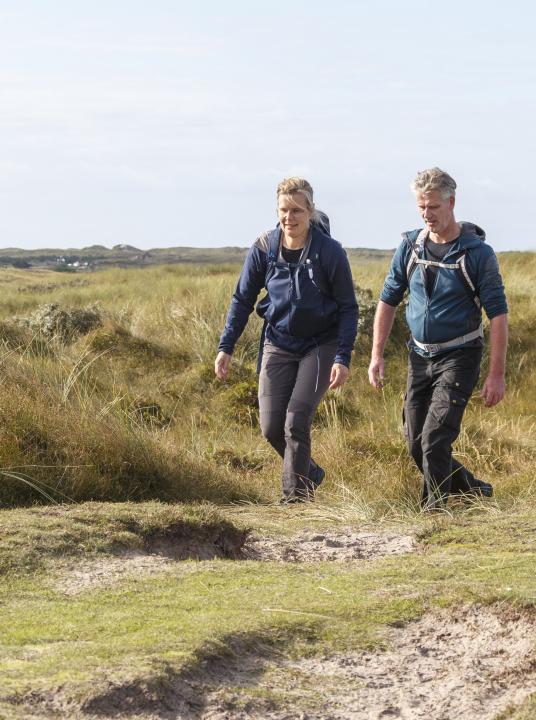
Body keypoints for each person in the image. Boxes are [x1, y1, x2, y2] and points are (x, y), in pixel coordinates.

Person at [368, 168, 508, 509]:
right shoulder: (409, 247)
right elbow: (387, 300)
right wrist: (376, 355)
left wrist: (496, 374)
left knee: (434, 440)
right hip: (419, 357)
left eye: (433, 207)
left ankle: (435, 512)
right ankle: (472, 487)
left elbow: (499, 315)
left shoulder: (478, 254)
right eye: (421, 207)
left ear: (451, 202)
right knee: (415, 442)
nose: (427, 214)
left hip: (460, 356)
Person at [215, 177, 358, 503]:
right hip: (278, 342)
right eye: (283, 210)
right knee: (270, 427)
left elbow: (349, 307)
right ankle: (310, 472)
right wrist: (226, 347)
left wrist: (342, 356)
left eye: (296, 210)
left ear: (310, 211)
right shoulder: (264, 248)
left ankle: (295, 499)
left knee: (296, 419)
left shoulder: (329, 252)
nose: (289, 217)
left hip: (320, 344)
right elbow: (242, 300)